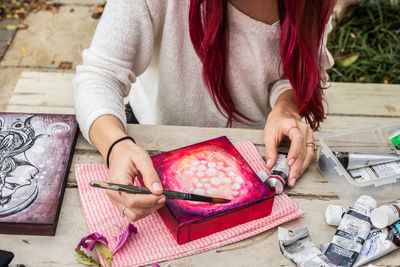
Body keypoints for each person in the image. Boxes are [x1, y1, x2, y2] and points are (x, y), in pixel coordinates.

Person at [73, 0, 335, 222]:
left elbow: (298, 69)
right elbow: (100, 75)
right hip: (150, 146)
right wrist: (116, 146)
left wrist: (286, 108)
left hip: (258, 157)